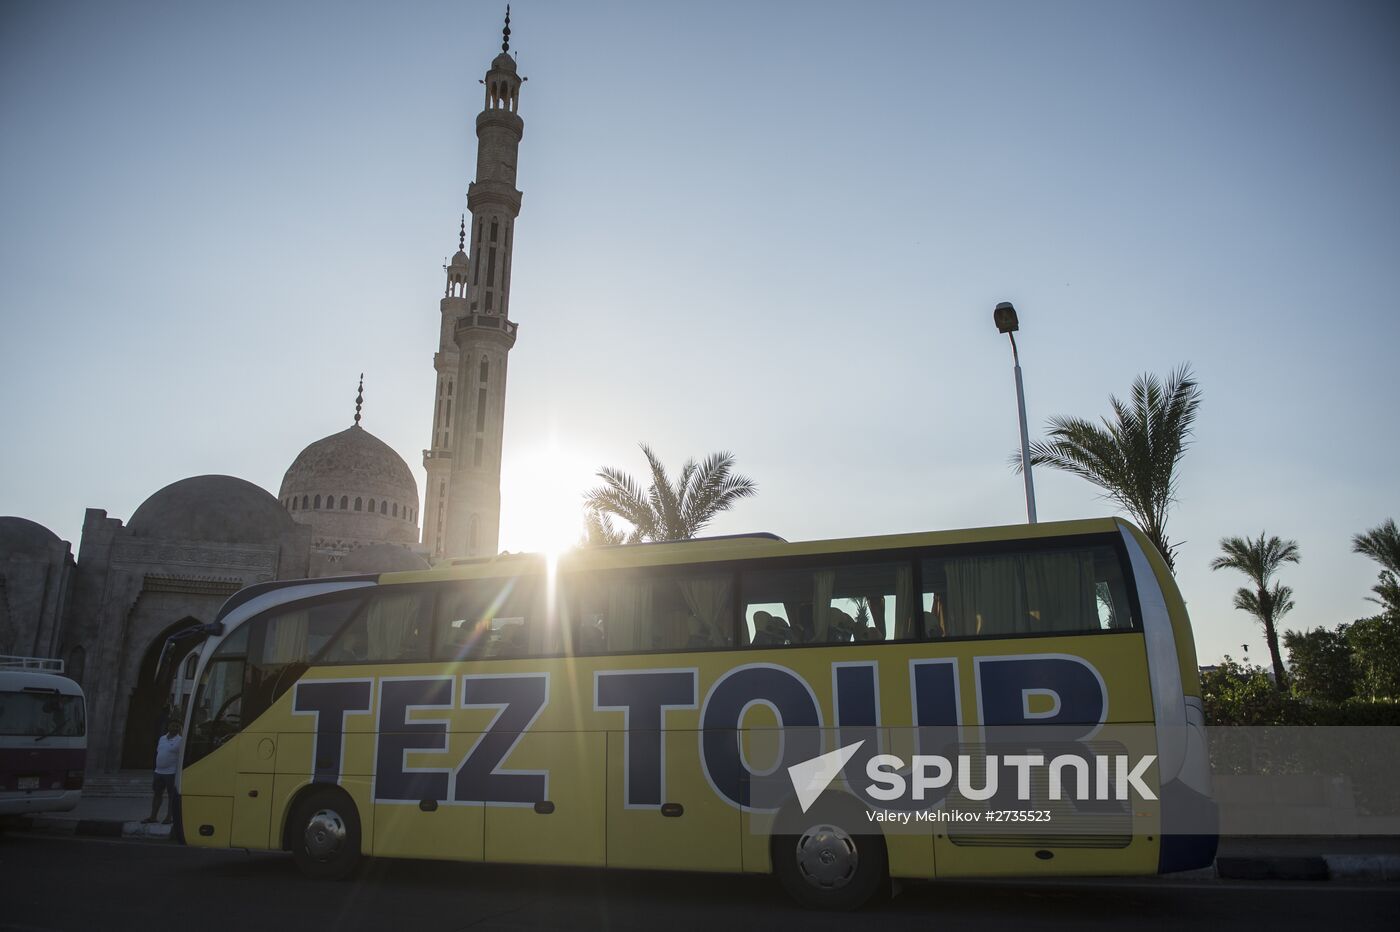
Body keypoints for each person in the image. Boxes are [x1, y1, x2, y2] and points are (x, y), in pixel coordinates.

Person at [143, 720, 182, 825]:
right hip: (158, 771)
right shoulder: (162, 738)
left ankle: (169, 817)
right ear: (168, 726)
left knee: (171, 796)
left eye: (177, 727)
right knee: (157, 794)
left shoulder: (180, 740)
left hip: (171, 772)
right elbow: (159, 752)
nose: (175, 728)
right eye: (173, 726)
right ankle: (153, 816)